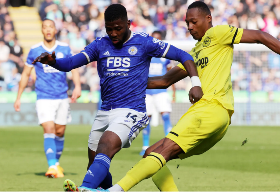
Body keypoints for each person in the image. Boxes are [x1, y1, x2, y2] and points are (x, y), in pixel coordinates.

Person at [91, 1, 280, 192]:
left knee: (161, 152)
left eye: (194, 22)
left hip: (211, 109)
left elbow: (259, 36)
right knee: (151, 154)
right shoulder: (195, 53)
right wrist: (124, 77)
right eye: (187, 23)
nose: (190, 27)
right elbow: (164, 80)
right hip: (213, 118)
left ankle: (114, 190)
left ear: (208, 19)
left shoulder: (218, 33)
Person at [31, 4, 202, 192]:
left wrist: (196, 83)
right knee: (95, 164)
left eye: (118, 28)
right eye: (109, 29)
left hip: (131, 110)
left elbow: (183, 55)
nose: (113, 33)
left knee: (105, 146)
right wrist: (53, 62)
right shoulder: (99, 44)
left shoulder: (144, 42)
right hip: (105, 111)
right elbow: (71, 63)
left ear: (128, 24)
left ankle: (84, 188)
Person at [14, 19, 81, 178]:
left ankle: (56, 164)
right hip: (43, 96)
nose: (48, 30)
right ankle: (52, 166)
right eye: (45, 27)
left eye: (51, 27)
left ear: (55, 30)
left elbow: (74, 68)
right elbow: (25, 74)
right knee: (49, 129)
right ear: (42, 30)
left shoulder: (64, 48)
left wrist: (77, 86)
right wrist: (18, 97)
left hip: (62, 96)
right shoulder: (35, 50)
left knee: (60, 131)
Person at [140, 30, 176, 156]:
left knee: (165, 116)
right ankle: (145, 146)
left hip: (161, 91)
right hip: (147, 92)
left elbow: (172, 75)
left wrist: (173, 91)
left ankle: (169, 144)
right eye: (153, 39)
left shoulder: (165, 57)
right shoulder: (145, 55)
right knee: (146, 119)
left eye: (158, 39)